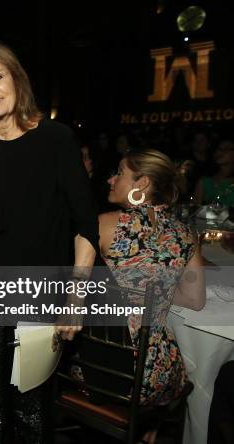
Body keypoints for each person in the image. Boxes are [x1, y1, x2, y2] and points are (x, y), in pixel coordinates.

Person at [0, 40, 98, 443]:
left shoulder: (56, 139)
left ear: (16, 79)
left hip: (40, 294)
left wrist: (75, 297)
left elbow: (85, 225)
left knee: (32, 413)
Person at [98, 149, 205, 443]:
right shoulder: (185, 233)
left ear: (142, 183)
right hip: (158, 374)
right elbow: (195, 300)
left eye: (119, 172)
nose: (110, 179)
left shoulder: (103, 225)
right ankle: (148, 430)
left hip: (105, 369)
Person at [194, 137, 234, 207]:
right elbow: (194, 211)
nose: (220, 152)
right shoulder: (205, 182)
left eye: (226, 149)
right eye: (219, 149)